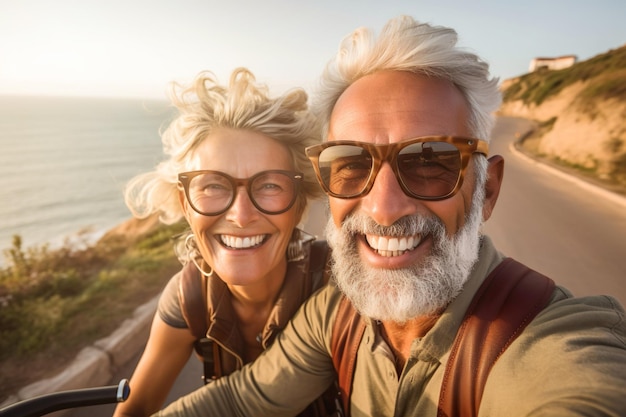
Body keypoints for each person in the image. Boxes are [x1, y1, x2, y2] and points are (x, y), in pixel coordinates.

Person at [153, 16, 626, 417]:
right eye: (352, 163)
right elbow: (238, 401)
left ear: (487, 190)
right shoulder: (337, 313)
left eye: (429, 163)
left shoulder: (553, 339)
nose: (382, 206)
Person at [114, 68, 335, 417]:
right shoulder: (190, 297)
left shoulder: (338, 285)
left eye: (270, 185)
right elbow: (135, 408)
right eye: (213, 186)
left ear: (300, 206)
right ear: (185, 204)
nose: (242, 215)